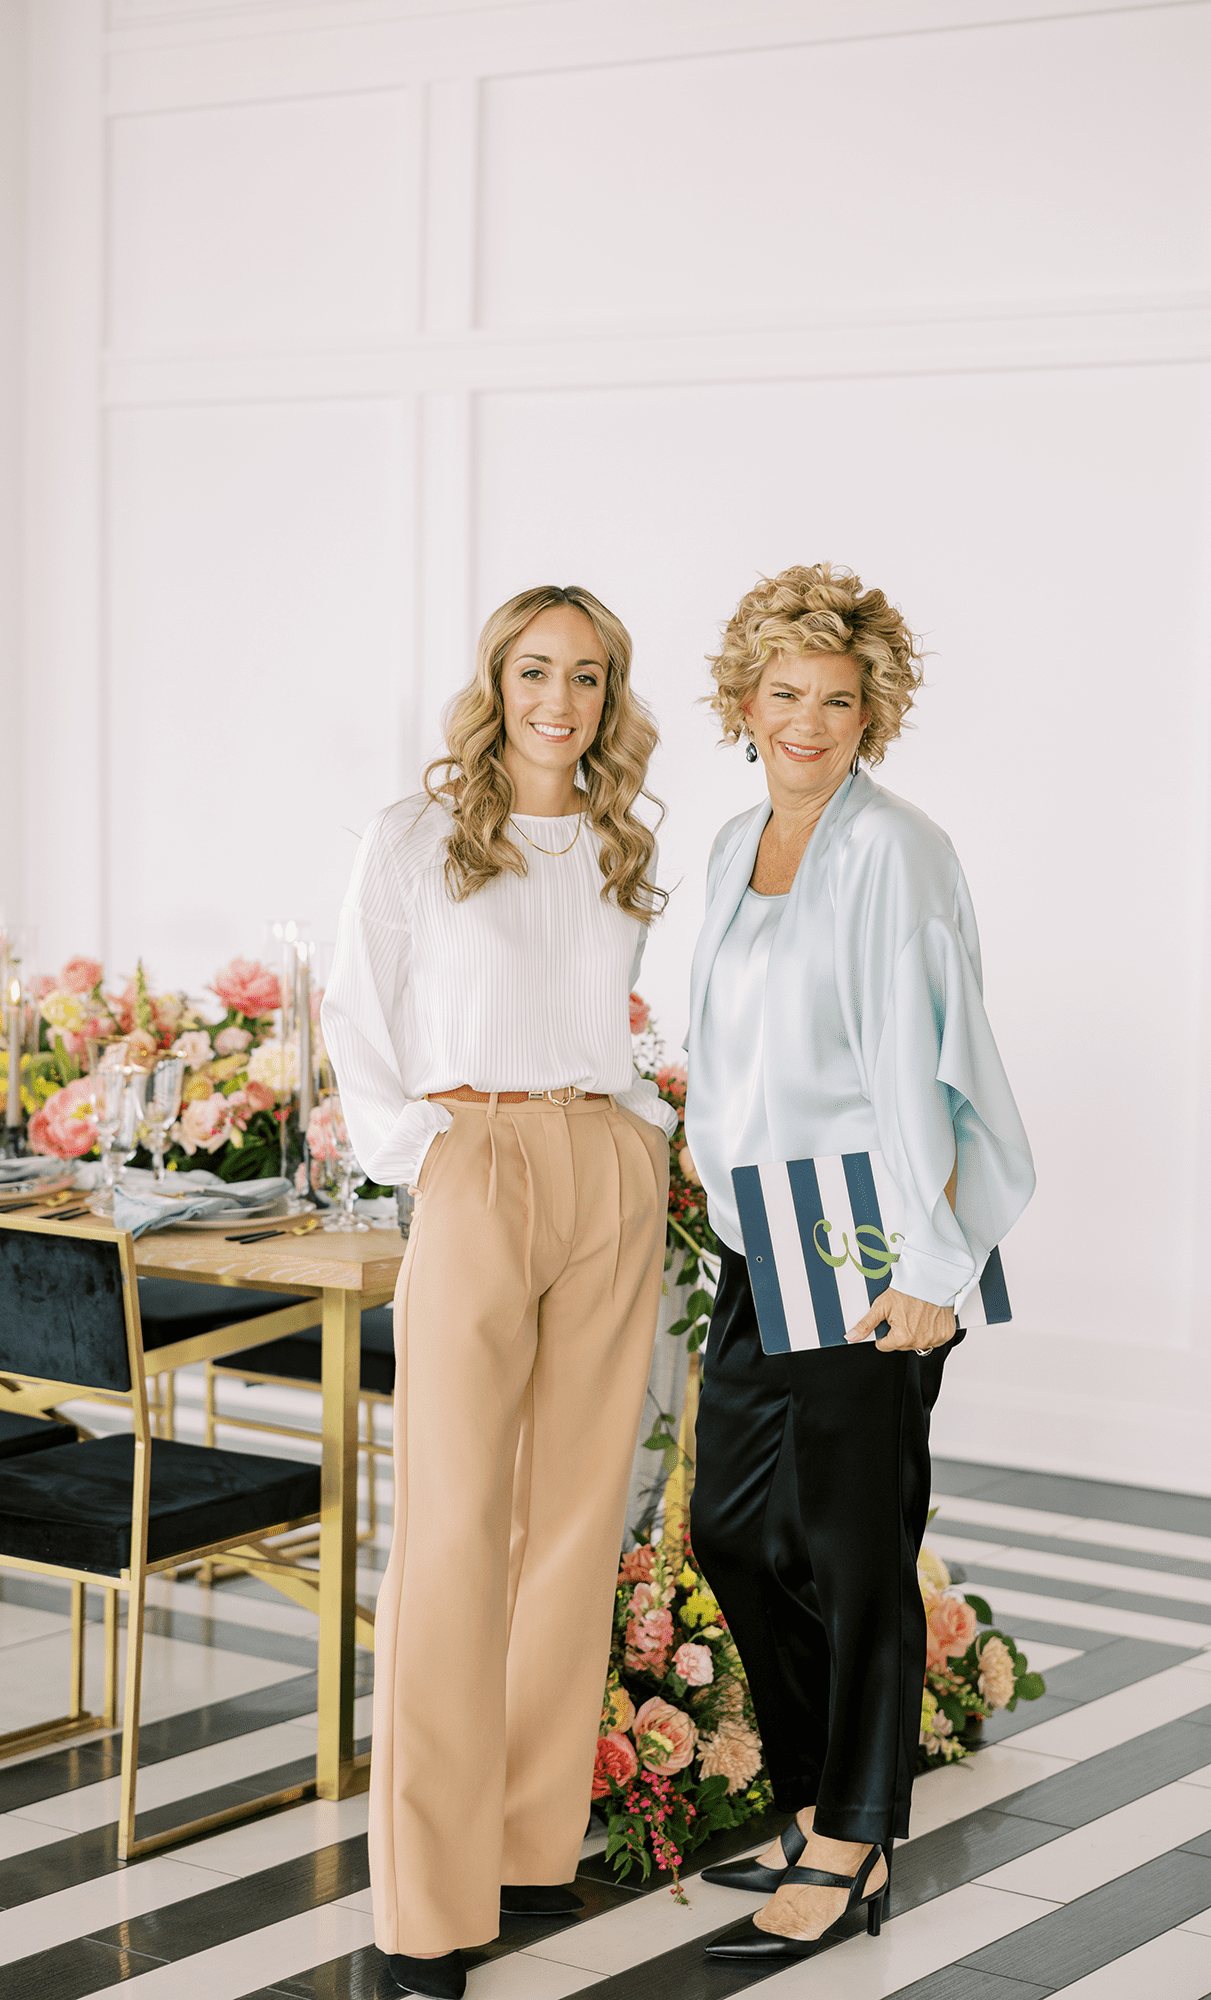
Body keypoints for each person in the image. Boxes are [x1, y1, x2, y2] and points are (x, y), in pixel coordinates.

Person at [320, 584, 674, 2000]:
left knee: (576, 1519)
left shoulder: (622, 838)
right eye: (536, 671)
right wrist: (428, 1155)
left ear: (609, 695)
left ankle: (530, 1842)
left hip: (605, 1166)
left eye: (586, 676)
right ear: (497, 680)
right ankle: (425, 1904)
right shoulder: (416, 835)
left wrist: (644, 1134)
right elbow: (354, 1010)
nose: (559, 701)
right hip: (474, 1156)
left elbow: (624, 1020)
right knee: (454, 1528)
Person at [683, 563, 1034, 1963]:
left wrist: (933, 1264)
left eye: (838, 700)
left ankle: (853, 1836)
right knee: (730, 1529)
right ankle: (818, 1796)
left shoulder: (899, 850)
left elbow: (929, 1061)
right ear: (744, 701)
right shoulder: (737, 842)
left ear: (873, 712)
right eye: (785, 694)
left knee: (853, 1545)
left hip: (874, 1224)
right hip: (762, 1222)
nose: (808, 723)